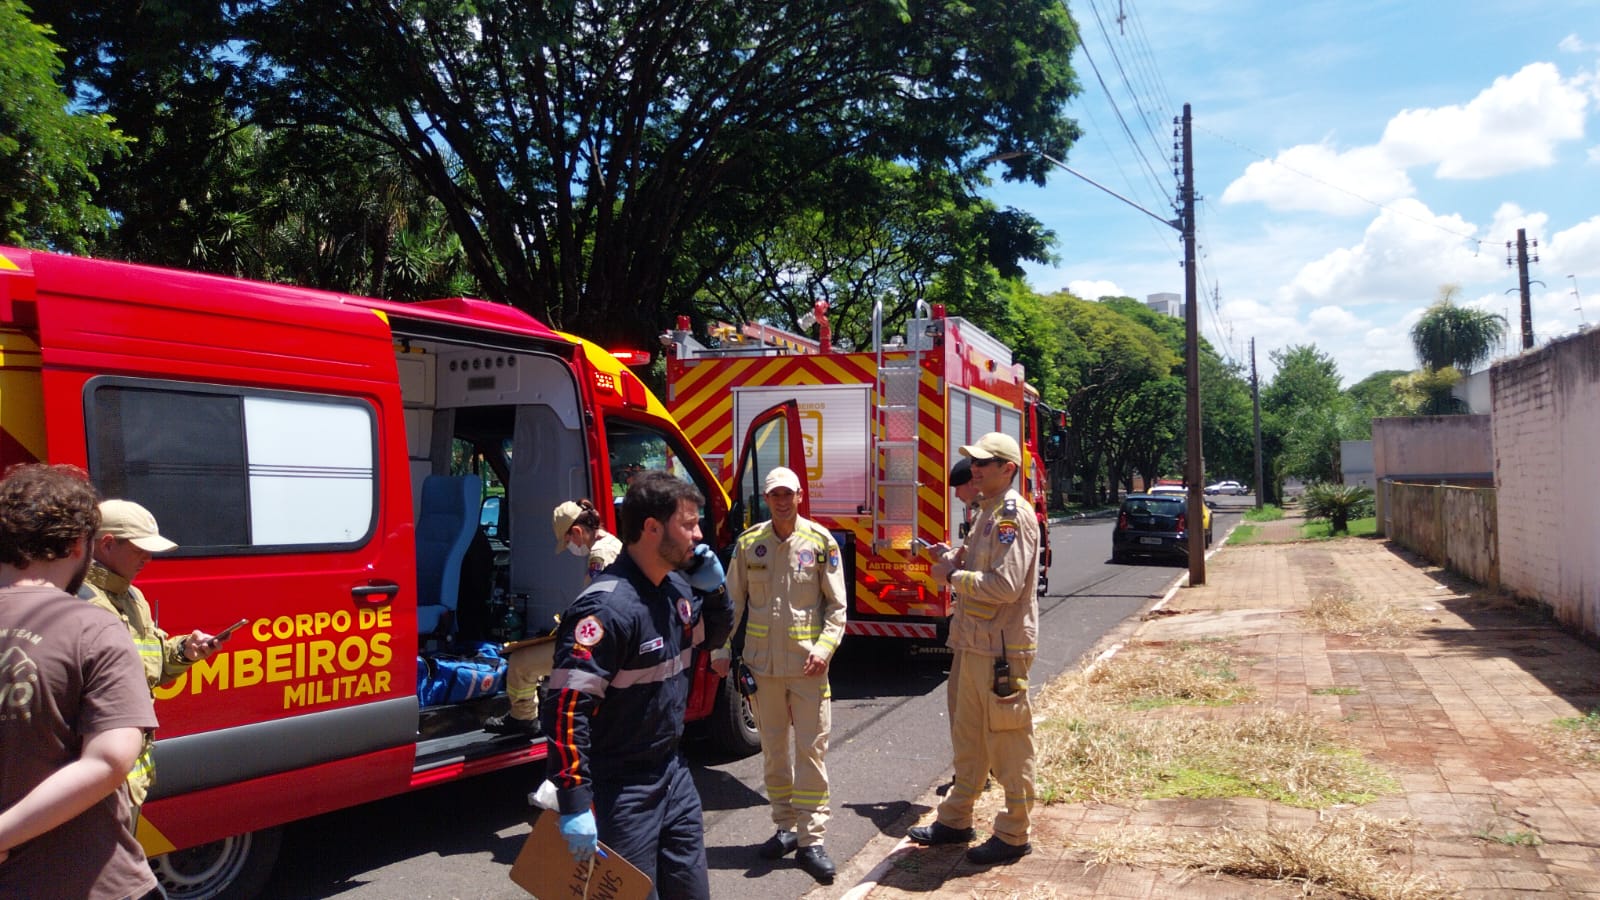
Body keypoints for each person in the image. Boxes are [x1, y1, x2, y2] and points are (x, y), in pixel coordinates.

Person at [539, 470, 731, 899]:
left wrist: (717, 591)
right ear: (651, 528)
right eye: (688, 523)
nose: (698, 535)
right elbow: (567, 707)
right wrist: (573, 800)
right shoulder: (606, 609)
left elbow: (712, 638)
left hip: (673, 773)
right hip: (620, 789)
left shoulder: (676, 589)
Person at [0, 465, 161, 899]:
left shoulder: (125, 604)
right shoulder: (93, 627)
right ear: (80, 545)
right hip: (83, 882)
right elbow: (109, 760)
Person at [909, 433, 1041, 866]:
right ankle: (956, 819)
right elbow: (978, 568)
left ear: (1009, 469)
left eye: (986, 462)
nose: (976, 469)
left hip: (1001, 647)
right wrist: (950, 559)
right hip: (974, 642)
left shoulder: (1011, 516)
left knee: (1007, 740)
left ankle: (1014, 832)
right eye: (975, 462)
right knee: (969, 737)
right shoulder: (986, 510)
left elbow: (1004, 586)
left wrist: (951, 576)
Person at [718, 467, 847, 884]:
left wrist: (825, 649)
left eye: (788, 494)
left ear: (800, 495)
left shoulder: (821, 543)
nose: (781, 501)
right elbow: (731, 605)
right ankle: (786, 828)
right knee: (774, 750)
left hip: (809, 668)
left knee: (811, 752)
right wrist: (722, 650)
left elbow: (837, 608)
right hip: (763, 668)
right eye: (774, 494)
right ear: (767, 498)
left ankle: (812, 840)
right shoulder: (749, 544)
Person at [79, 499, 221, 817]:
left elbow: (148, 668)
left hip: (129, 776)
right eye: (140, 549)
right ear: (107, 544)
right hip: (96, 782)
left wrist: (184, 652)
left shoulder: (132, 596)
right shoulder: (79, 604)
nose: (149, 558)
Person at [486, 499, 623, 736]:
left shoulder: (600, 555)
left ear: (578, 531)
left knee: (520, 662)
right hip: (601, 636)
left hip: (596, 641)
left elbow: (600, 607)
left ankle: (523, 717)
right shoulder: (612, 544)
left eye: (569, 539)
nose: (570, 545)